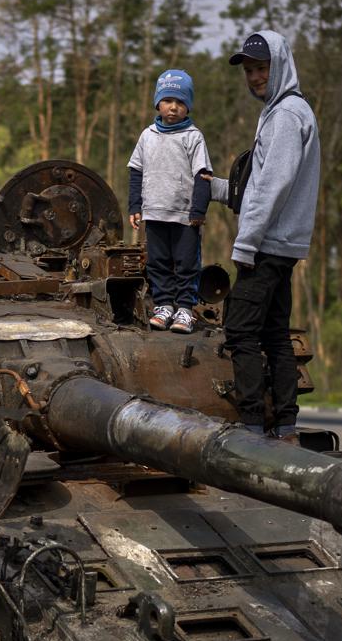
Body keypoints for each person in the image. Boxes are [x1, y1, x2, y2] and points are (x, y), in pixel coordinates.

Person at [211, 30, 321, 440]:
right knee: (275, 332)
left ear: (281, 66)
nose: (255, 77)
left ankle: (252, 427)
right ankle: (286, 424)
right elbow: (258, 183)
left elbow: (274, 185)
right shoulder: (283, 112)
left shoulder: (287, 115)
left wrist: (246, 243)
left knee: (240, 329)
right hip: (279, 242)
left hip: (268, 245)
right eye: (250, 70)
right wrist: (219, 188)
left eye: (262, 68)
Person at [127, 68, 214, 334]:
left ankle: (185, 309)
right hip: (154, 213)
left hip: (185, 216)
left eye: (180, 102)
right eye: (168, 101)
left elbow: (203, 175)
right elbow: (136, 170)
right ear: (158, 103)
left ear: (188, 106)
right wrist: (135, 206)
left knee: (187, 263)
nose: (173, 108)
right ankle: (164, 305)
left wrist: (198, 210)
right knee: (157, 262)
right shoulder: (148, 135)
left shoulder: (193, 137)